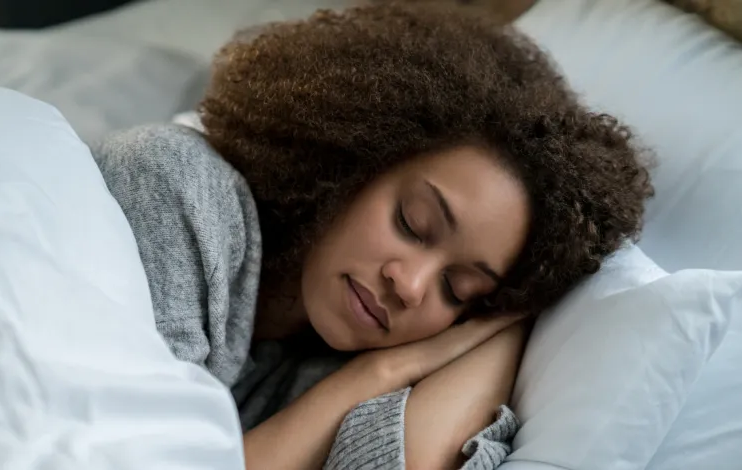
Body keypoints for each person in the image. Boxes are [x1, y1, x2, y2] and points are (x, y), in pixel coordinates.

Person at [92, 2, 653, 469]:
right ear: (351, 159)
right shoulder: (175, 186)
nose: (409, 287)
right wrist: (377, 374)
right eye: (412, 223)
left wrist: (515, 322)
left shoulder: (327, 354)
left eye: (458, 290)